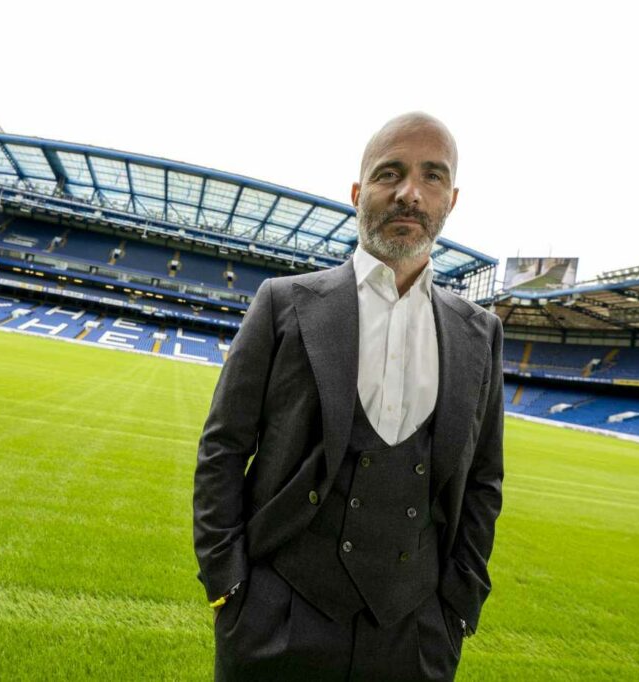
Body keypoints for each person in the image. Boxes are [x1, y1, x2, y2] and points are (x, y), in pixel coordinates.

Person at [193, 112, 504, 681]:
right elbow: (224, 447)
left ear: (451, 200)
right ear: (359, 193)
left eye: (432, 176)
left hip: (416, 636)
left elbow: (484, 480)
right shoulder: (282, 303)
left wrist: (459, 607)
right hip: (276, 618)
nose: (410, 193)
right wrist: (227, 583)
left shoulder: (480, 334)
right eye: (391, 173)